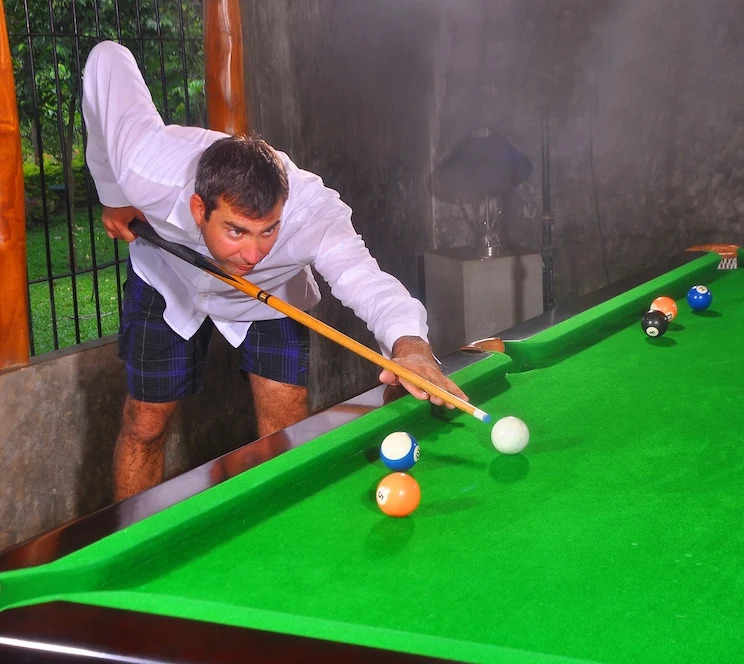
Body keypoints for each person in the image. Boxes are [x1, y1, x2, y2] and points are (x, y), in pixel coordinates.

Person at [82, 41, 466, 500]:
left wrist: (411, 345)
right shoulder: (147, 168)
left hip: (271, 298)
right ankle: (133, 540)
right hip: (169, 281)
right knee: (145, 424)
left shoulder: (312, 216)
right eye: (237, 231)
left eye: (268, 231)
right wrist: (113, 194)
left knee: (285, 426)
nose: (253, 253)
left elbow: (367, 281)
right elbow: (107, 59)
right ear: (199, 208)